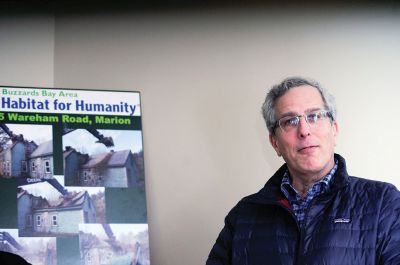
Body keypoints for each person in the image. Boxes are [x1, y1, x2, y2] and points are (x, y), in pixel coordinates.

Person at [206, 77, 400, 265]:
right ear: (275, 143)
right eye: (290, 121)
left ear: (334, 130)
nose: (304, 130)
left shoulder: (383, 202)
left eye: (314, 116)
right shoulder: (243, 216)